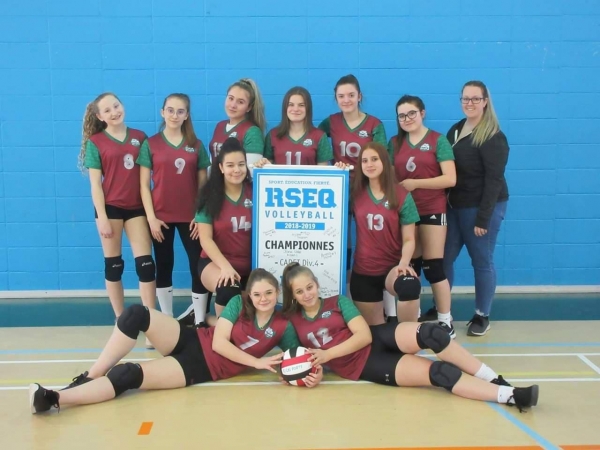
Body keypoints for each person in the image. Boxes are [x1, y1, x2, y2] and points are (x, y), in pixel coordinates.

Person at [29, 268, 321, 414]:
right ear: (249, 296)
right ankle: (88, 377)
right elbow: (219, 342)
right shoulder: (237, 305)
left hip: (200, 366)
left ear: (278, 293)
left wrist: (312, 373)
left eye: (269, 293)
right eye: (257, 294)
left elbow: (299, 357)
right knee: (135, 315)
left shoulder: (283, 324)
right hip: (193, 339)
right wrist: (257, 362)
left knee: (128, 374)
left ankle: (55, 398)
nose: (263, 299)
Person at [281, 262, 539, 412]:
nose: (307, 294)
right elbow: (301, 360)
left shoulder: (337, 302)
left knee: (431, 333)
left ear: (317, 284)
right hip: (365, 365)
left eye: (310, 287)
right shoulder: (293, 322)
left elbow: (363, 336)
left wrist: (327, 354)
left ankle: (495, 378)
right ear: (292, 295)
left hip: (376, 339)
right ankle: (511, 396)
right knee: (440, 374)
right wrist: (317, 373)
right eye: (300, 291)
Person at [77, 92, 156, 323]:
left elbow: (146, 178)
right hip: (110, 208)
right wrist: (101, 216)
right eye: (108, 110)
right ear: (100, 116)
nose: (114, 112)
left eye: (116, 106)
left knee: (146, 265)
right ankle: (121, 321)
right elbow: (95, 185)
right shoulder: (96, 143)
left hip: (136, 208)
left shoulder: (140, 137)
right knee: (114, 265)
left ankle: (150, 321)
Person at [136, 93, 210, 318]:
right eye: (170, 110)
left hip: (191, 218)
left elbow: (203, 187)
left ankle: (199, 319)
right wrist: (151, 218)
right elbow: (143, 185)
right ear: (162, 112)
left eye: (180, 111)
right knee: (164, 265)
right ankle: (166, 317)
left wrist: (200, 215)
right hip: (161, 218)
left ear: (187, 115)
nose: (174, 115)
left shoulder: (196, 145)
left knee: (197, 267)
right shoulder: (151, 144)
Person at [444, 81, 510, 336]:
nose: (469, 103)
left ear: (485, 101)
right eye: (465, 98)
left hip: (483, 207)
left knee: (481, 261)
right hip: (456, 206)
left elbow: (494, 180)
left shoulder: (493, 136)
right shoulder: (457, 129)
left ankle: (482, 314)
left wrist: (483, 219)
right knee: (445, 258)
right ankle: (443, 310)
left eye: (475, 99)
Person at [389, 95, 457, 337]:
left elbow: (450, 178)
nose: (407, 119)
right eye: (402, 115)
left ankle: (445, 320)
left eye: (411, 113)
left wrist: (415, 184)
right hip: (405, 213)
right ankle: (412, 322)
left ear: (422, 113)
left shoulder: (438, 141)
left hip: (431, 209)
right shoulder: (395, 143)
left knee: (434, 267)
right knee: (410, 268)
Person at [319, 74, 388, 294]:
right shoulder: (331, 121)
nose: (346, 100)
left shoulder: (374, 124)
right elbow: (313, 141)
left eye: (351, 95)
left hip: (366, 190)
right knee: (342, 244)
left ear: (360, 96)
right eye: (341, 96)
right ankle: (346, 294)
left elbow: (381, 159)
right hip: (339, 191)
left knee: (371, 242)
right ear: (335, 98)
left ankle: (384, 301)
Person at [345, 142, 420, 326]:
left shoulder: (401, 195)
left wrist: (404, 263)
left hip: (392, 267)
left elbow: (410, 238)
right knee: (375, 338)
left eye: (374, 159)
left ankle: (409, 334)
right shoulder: (355, 193)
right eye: (364, 161)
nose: (369, 164)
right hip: (364, 270)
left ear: (384, 162)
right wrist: (338, 171)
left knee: (409, 286)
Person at [195, 137, 253, 320]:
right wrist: (225, 267)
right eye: (230, 165)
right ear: (220, 168)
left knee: (255, 310)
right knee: (229, 289)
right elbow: (205, 239)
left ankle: (209, 323)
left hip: (250, 267)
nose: (236, 170)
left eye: (241, 164)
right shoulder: (209, 197)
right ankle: (222, 334)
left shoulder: (257, 190)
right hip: (216, 264)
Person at [262, 86, 332, 166]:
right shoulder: (273, 135)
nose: (295, 109)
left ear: (308, 108)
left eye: (301, 105)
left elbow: (322, 173)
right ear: (285, 107)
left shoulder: (319, 136)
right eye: (291, 105)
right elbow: (267, 170)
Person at [208, 78, 266, 168]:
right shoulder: (220, 126)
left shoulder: (252, 132)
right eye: (230, 98)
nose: (233, 105)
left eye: (240, 102)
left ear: (249, 107)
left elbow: (250, 171)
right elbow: (212, 163)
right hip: (215, 181)